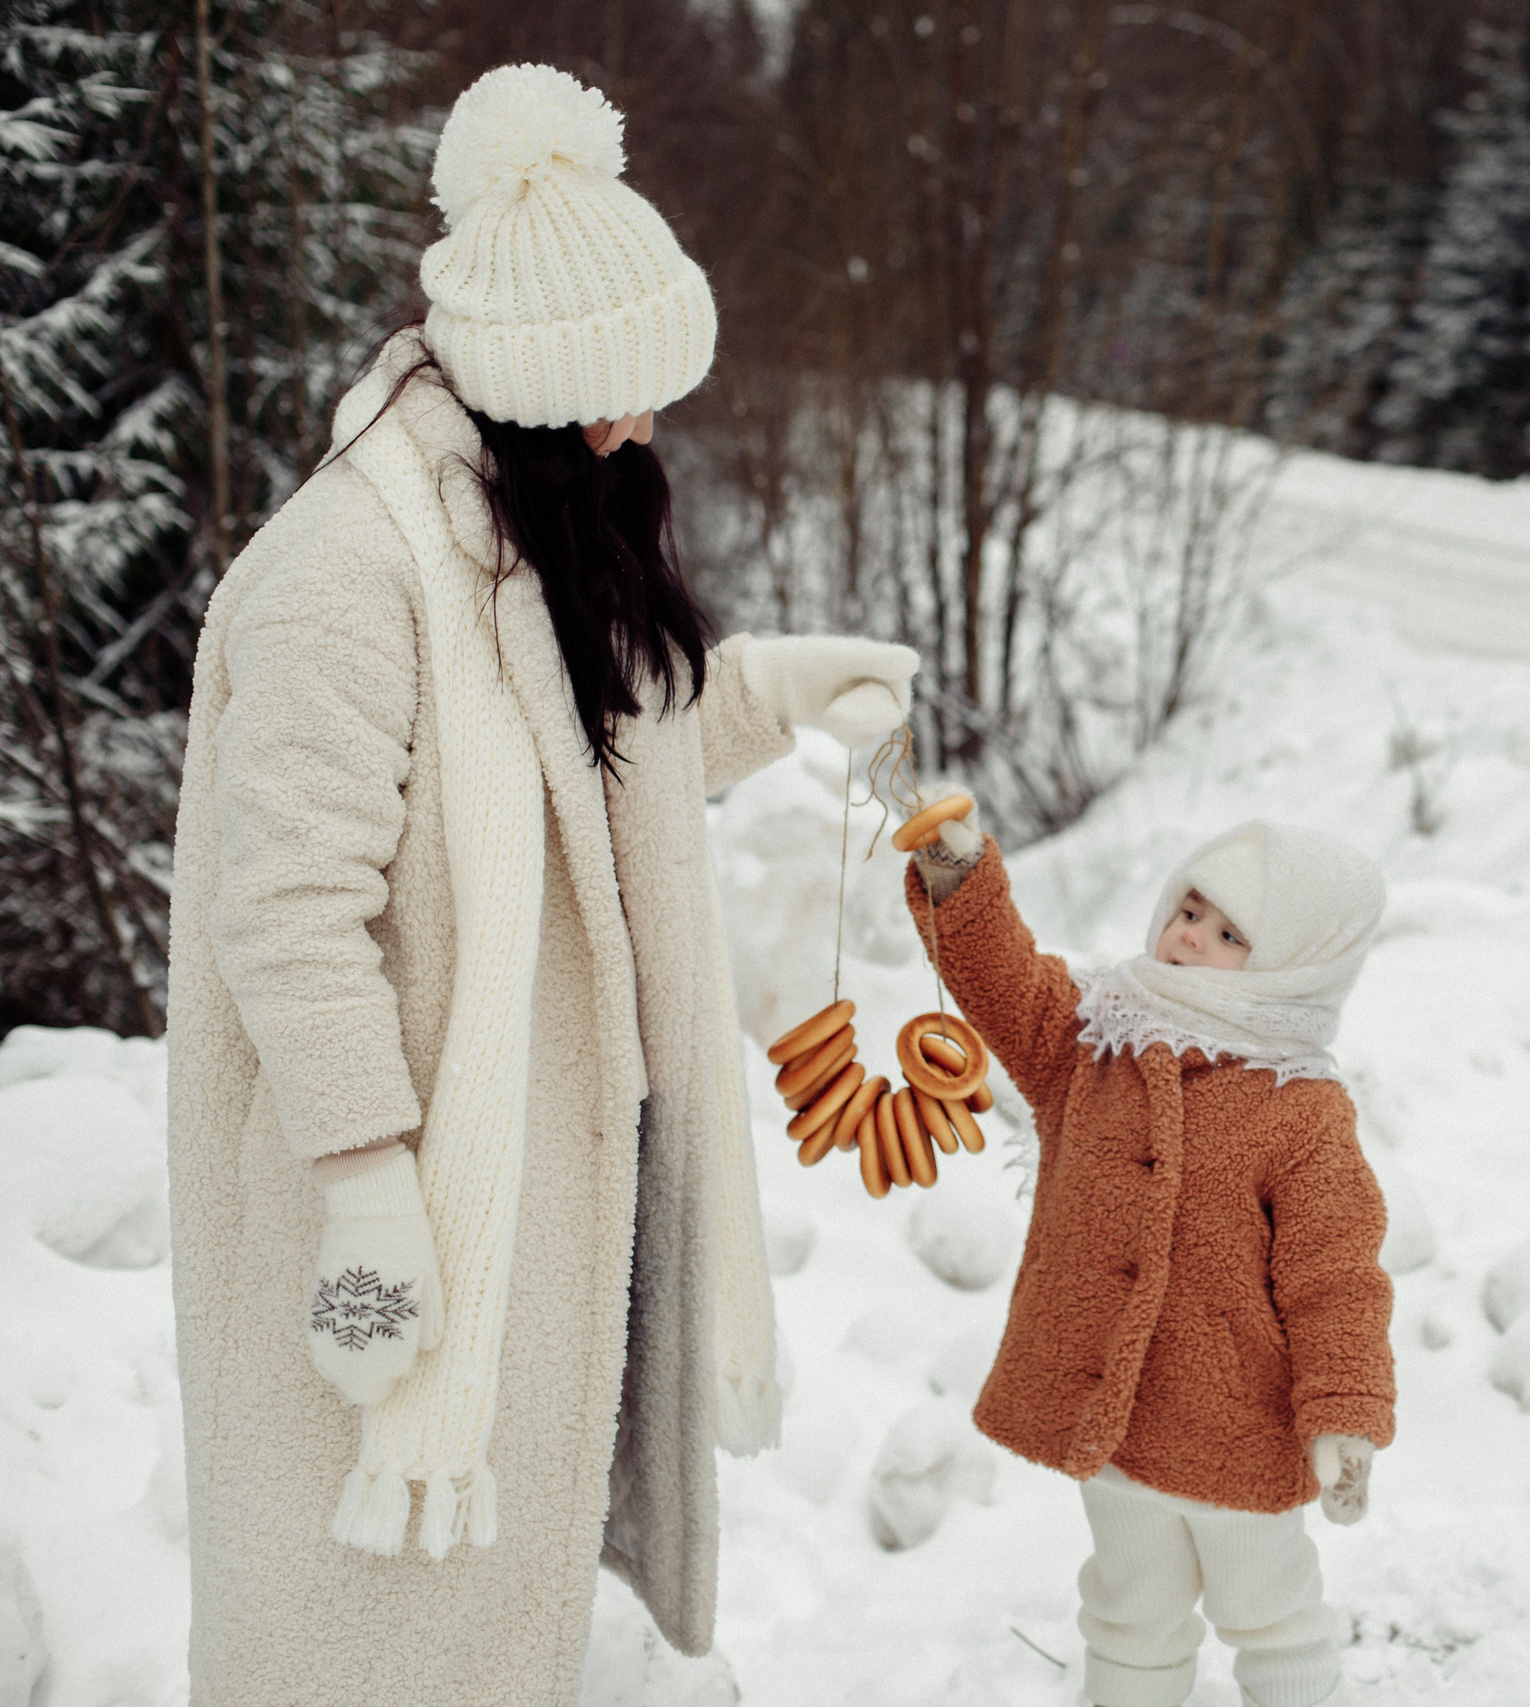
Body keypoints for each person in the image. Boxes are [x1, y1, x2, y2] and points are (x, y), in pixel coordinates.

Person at [163, 64, 911, 1705]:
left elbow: (601, 765)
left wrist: (775, 691)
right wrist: (370, 1179)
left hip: (542, 1202)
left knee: (490, 1626)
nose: (645, 430)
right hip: (397, 1206)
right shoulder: (345, 576)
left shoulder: (527, 536)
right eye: (621, 397)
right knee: (355, 1630)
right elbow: (289, 913)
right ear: (531, 387)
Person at [905, 808, 1397, 1707]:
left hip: (1239, 1429)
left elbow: (1336, 1276)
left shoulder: (1299, 1106)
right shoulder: (1093, 1041)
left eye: (1231, 934)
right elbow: (1004, 980)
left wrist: (1344, 1411)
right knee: (1130, 1606)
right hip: (1118, 1422)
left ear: (1297, 960)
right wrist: (959, 876)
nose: (1191, 936)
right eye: (1190, 909)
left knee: (1269, 1610)